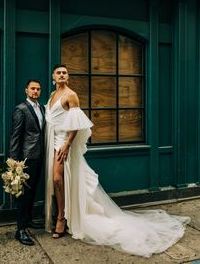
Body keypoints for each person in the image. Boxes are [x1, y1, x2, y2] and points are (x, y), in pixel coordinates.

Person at [44, 64, 191, 258]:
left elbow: (77, 125)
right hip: (51, 141)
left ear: (68, 76)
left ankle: (62, 218)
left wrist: (68, 145)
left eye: (64, 72)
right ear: (53, 76)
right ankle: (62, 213)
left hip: (63, 143)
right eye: (58, 73)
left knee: (56, 178)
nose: (62, 75)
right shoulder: (51, 95)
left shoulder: (71, 95)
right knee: (57, 180)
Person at [9, 79, 45, 246]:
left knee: (32, 192)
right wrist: (14, 162)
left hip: (39, 156)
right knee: (23, 195)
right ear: (26, 90)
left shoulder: (42, 108)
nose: (35, 91)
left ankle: (28, 220)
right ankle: (20, 230)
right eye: (32, 89)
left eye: (38, 89)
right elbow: (15, 136)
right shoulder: (21, 109)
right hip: (25, 158)